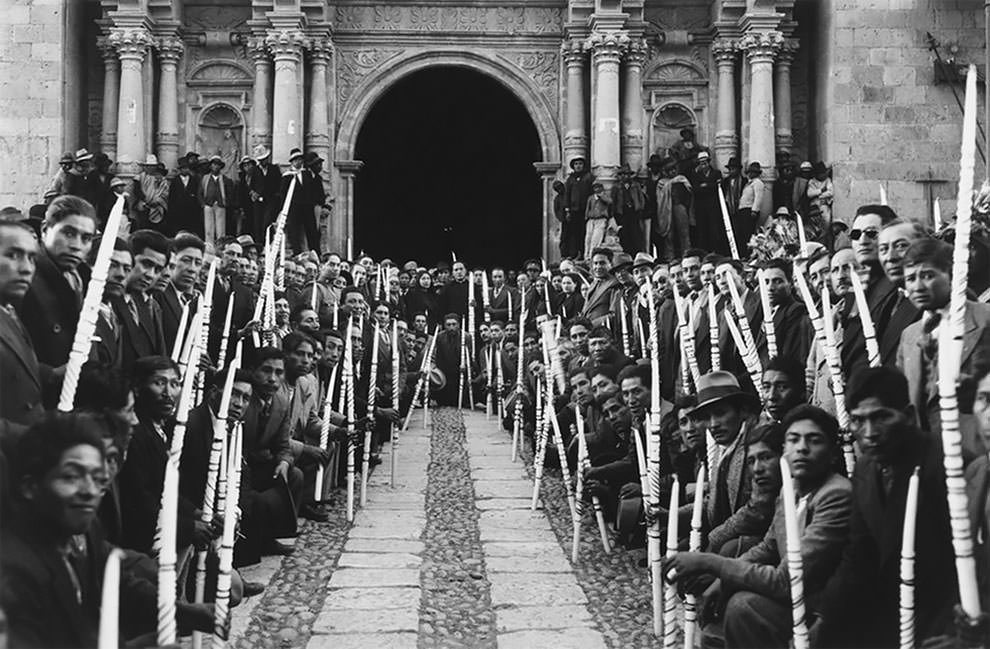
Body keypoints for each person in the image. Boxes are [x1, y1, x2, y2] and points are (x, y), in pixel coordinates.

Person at [1, 413, 214, 647]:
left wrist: (182, 612)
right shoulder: (14, 575)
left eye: (97, 478)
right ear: (30, 487)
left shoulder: (84, 531)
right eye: (71, 476)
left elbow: (120, 584)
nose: (90, 491)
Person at [665, 405, 852, 649]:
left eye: (814, 440)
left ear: (833, 454)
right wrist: (722, 581)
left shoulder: (836, 495)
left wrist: (710, 563)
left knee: (743, 607)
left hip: (824, 614)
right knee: (726, 611)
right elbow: (768, 547)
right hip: (797, 603)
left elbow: (788, 580)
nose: (802, 448)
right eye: (793, 440)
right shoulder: (790, 490)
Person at [815, 366, 957, 648]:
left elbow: (973, 564)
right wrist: (825, 617)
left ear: (908, 416)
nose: (869, 433)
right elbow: (858, 554)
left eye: (881, 417)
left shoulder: (947, 465)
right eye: (858, 421)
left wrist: (955, 631)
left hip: (944, 615)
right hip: (889, 610)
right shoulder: (866, 468)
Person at [897, 237, 990, 454]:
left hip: (979, 452)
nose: (917, 286)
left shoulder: (985, 320)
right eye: (910, 278)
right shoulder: (909, 337)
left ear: (952, 274)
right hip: (929, 457)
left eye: (928, 275)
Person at [17, 195, 97, 368]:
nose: (76, 245)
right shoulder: (23, 279)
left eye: (86, 238)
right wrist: (53, 376)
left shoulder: (85, 279)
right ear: (45, 229)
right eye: (68, 233)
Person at [0, 221, 48, 440]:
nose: (27, 268)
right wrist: (34, 438)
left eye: (32, 258)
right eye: (13, 255)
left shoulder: (9, 310)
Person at [112, 229, 169, 372]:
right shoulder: (106, 302)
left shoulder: (144, 304)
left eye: (157, 270)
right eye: (146, 264)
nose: (150, 275)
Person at [655, 157, 693, 260]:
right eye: (670, 170)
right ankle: (669, 256)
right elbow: (659, 198)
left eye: (674, 169)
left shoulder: (682, 179)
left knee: (684, 232)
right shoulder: (662, 182)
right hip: (666, 210)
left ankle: (687, 255)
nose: (673, 172)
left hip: (679, 207)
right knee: (669, 235)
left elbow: (689, 194)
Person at [690, 151, 723, 253]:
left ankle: (716, 252)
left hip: (713, 207)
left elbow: (716, 187)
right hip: (701, 207)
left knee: (714, 230)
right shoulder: (695, 175)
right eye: (701, 163)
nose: (703, 165)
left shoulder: (716, 173)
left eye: (705, 162)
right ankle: (703, 253)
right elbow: (695, 189)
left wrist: (705, 186)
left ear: (709, 162)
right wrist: (708, 186)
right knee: (702, 231)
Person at [563, 156, 595, 259]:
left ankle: (584, 252)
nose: (578, 166)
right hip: (574, 210)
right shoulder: (570, 179)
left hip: (585, 210)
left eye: (580, 164)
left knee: (585, 232)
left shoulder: (588, 177)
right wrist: (567, 210)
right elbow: (567, 194)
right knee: (574, 233)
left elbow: (592, 193)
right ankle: (574, 253)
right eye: (576, 164)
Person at [199, 155, 236, 243]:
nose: (215, 167)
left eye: (217, 165)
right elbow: (200, 192)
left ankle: (220, 246)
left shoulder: (225, 180)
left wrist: (226, 203)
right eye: (214, 164)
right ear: (211, 166)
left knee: (221, 229)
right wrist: (203, 204)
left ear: (220, 167)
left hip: (220, 205)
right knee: (208, 229)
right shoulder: (205, 178)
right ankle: (209, 246)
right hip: (208, 205)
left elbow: (230, 194)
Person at [580, 248, 621, 326]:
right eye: (595, 263)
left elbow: (614, 315)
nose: (598, 267)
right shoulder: (593, 284)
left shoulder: (615, 284)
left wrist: (590, 325)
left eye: (602, 263)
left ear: (611, 264)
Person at [611, 164, 647, 253]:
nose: (625, 176)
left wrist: (640, 208)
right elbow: (613, 201)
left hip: (633, 211)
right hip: (622, 212)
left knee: (636, 233)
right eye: (623, 174)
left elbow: (641, 198)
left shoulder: (635, 185)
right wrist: (614, 213)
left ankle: (637, 252)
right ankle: (627, 252)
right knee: (625, 233)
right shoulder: (616, 187)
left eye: (627, 174)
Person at [132, 155, 170, 234]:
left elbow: (165, 192)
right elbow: (137, 190)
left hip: (158, 206)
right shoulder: (139, 177)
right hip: (144, 205)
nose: (150, 168)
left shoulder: (162, 179)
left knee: (158, 228)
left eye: (153, 166)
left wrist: (157, 201)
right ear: (145, 167)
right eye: (148, 166)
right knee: (144, 226)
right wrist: (146, 200)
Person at [168, 155, 204, 238]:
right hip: (178, 209)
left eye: (187, 168)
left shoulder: (193, 180)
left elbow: (197, 193)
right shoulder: (175, 181)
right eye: (183, 168)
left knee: (190, 229)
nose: (185, 170)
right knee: (179, 229)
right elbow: (172, 197)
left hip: (191, 209)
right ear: (180, 169)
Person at [735, 162, 765, 255]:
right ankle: (743, 252)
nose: (750, 174)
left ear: (757, 173)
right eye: (749, 172)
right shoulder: (749, 183)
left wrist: (754, 210)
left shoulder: (758, 183)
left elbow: (758, 197)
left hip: (750, 210)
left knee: (748, 233)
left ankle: (747, 253)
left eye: (753, 172)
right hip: (743, 210)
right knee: (742, 233)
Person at [584, 182, 614, 257]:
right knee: (588, 239)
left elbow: (610, 202)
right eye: (595, 188)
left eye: (598, 187)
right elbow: (588, 208)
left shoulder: (605, 196)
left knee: (596, 239)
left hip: (600, 219)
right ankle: (586, 256)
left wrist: (601, 196)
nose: (596, 189)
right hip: (591, 219)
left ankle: (592, 256)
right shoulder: (591, 197)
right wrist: (587, 216)